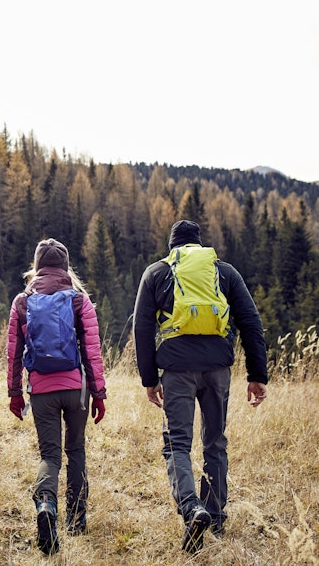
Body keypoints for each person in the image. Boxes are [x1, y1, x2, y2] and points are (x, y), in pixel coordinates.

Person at [133, 219, 268, 553]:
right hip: (218, 368)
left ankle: (192, 508)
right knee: (215, 443)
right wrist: (257, 375)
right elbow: (251, 323)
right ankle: (216, 518)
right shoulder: (225, 272)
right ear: (200, 244)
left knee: (177, 443)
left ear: (173, 247)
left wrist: (150, 379)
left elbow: (141, 327)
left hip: (177, 370)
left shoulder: (157, 272)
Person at [6, 238, 107, 555]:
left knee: (50, 456)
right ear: (65, 267)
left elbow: (13, 354)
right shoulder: (79, 300)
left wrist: (14, 394)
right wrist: (99, 394)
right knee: (76, 450)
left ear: (37, 267)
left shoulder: (23, 302)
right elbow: (92, 352)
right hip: (76, 390)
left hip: (41, 390)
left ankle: (46, 505)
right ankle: (77, 519)